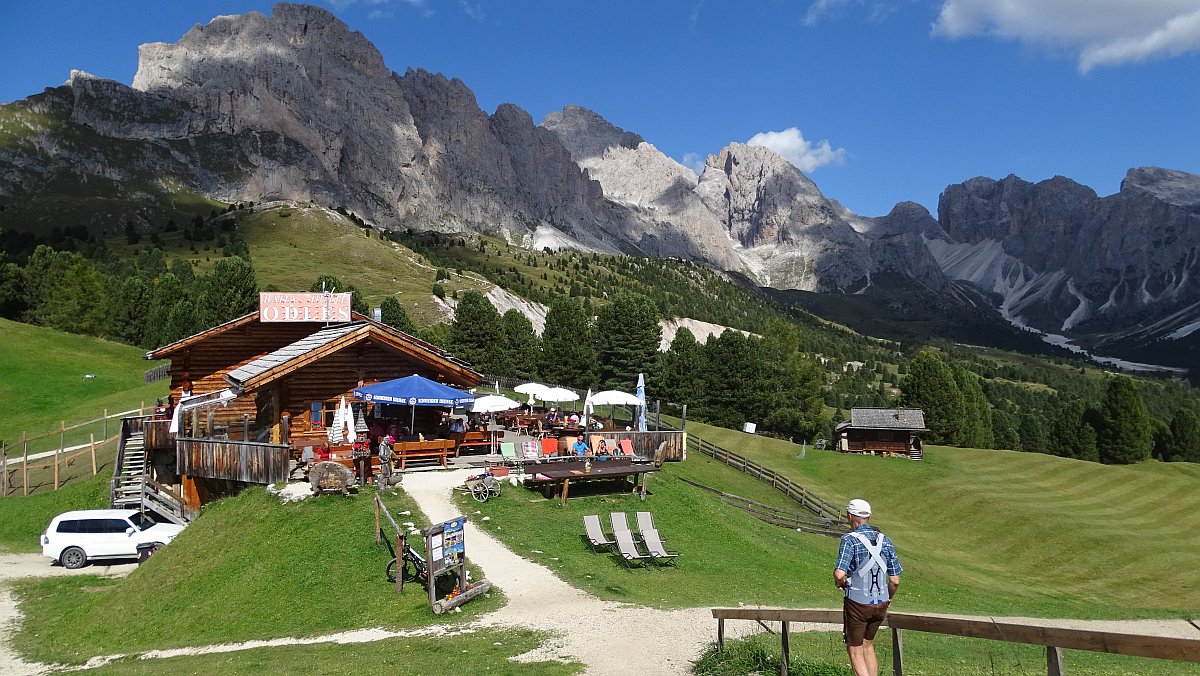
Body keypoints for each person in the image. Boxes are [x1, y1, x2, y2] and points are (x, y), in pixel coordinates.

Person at [834, 499, 902, 676]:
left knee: (855, 649)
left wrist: (841, 583)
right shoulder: (885, 540)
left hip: (858, 603)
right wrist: (888, 599)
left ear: (850, 516)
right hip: (880, 604)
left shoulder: (850, 540)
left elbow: (839, 574)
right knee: (868, 644)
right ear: (869, 517)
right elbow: (895, 580)